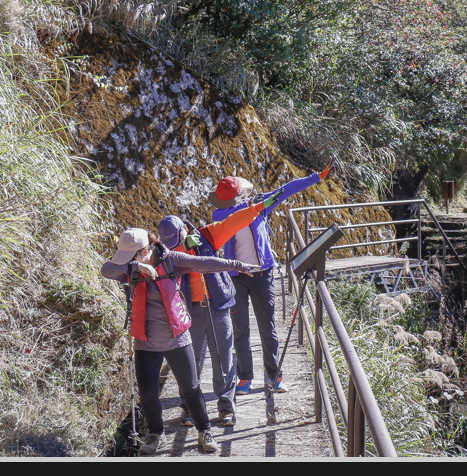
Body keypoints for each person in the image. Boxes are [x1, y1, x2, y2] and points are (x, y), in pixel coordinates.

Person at [100, 201, 269, 456]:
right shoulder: (130, 269)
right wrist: (136, 266)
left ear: (145, 249)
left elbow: (204, 263)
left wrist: (237, 265)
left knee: (191, 389)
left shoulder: (172, 260)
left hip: (177, 338)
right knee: (147, 395)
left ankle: (204, 430)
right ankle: (155, 433)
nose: (128, 262)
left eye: (133, 257)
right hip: (145, 342)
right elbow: (106, 269)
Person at [209, 161, 331, 395]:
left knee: (268, 327)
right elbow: (230, 220)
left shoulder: (259, 205)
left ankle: (275, 376)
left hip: (262, 274)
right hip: (236, 276)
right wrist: (251, 207)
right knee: (240, 329)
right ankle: (245, 377)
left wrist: (317, 177)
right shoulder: (221, 214)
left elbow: (286, 190)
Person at [158, 214, 239, 428]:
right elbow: (166, 263)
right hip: (187, 310)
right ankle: (190, 406)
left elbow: (235, 222)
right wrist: (182, 248)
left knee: (223, 357)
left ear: (185, 228)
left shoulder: (205, 236)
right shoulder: (165, 250)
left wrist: (256, 207)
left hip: (217, 307)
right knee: (188, 360)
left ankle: (226, 405)